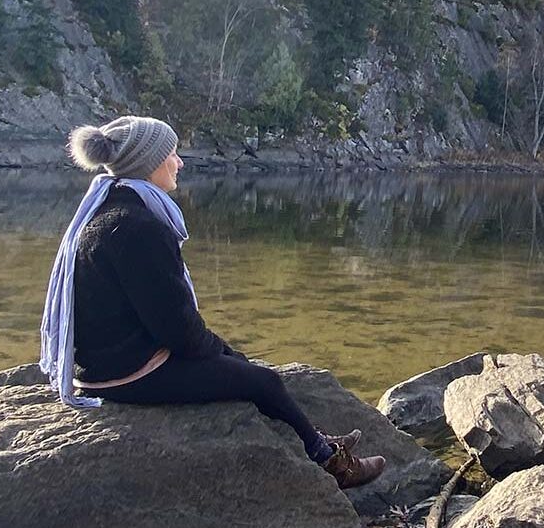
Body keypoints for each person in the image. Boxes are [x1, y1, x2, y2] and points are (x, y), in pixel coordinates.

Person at [38, 115, 385, 489]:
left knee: (237, 363)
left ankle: (316, 438)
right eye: (173, 153)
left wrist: (222, 352)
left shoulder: (107, 211)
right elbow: (178, 331)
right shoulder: (138, 228)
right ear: (150, 163)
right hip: (125, 375)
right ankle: (331, 463)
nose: (180, 163)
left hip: (103, 367)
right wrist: (216, 348)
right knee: (264, 381)